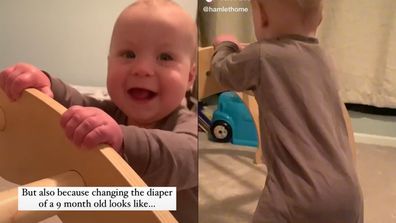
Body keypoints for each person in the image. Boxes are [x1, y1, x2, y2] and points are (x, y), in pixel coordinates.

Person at [0, 0, 197, 222]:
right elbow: (77, 106)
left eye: (165, 57)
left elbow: (188, 157)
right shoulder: (114, 113)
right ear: (108, 62)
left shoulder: (188, 127)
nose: (142, 69)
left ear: (190, 77)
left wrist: (124, 141)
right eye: (129, 54)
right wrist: (47, 86)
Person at [211, 0, 363, 222]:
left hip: (297, 194)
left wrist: (225, 46)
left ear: (261, 16)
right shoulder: (323, 58)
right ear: (320, 18)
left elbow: (224, 72)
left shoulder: (263, 55)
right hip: (348, 192)